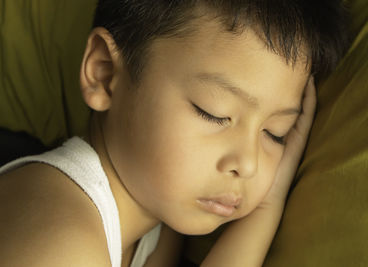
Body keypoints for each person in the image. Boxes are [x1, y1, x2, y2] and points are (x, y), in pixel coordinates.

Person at [0, 0, 348, 266]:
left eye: (275, 133)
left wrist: (268, 204)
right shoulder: (58, 240)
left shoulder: (153, 223)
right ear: (105, 74)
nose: (249, 163)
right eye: (214, 113)